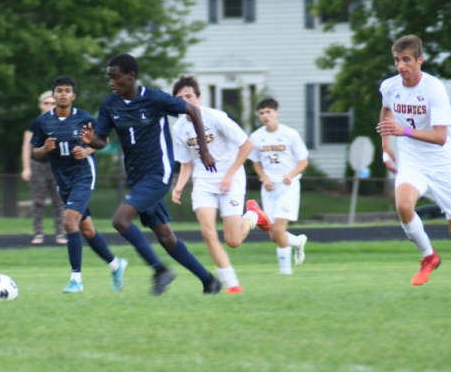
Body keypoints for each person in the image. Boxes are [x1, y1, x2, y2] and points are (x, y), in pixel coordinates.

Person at [80, 53, 238, 295]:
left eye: (116, 77)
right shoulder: (109, 105)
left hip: (158, 175)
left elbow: (193, 111)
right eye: (109, 78)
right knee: (166, 237)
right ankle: (209, 281)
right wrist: (93, 141)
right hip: (137, 179)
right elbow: (101, 139)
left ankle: (160, 270)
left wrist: (204, 150)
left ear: (130, 77)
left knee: (120, 220)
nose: (111, 83)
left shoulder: (154, 99)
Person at [376, 34, 451, 289]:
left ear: (420, 60)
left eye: (407, 60)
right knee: (403, 206)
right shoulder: (390, 86)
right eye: (397, 60)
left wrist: (404, 132)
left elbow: (440, 136)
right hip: (412, 160)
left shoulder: (434, 89)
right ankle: (429, 256)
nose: (401, 66)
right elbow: (387, 109)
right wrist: (386, 144)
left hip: (443, 164)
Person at [170, 75, 270, 294]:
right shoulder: (178, 129)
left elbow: (247, 145)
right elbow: (186, 164)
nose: (186, 101)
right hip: (204, 181)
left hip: (231, 177)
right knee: (207, 232)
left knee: (233, 240)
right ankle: (232, 284)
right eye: (180, 98)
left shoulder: (216, 118)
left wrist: (229, 175)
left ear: (198, 98)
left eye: (189, 96)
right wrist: (178, 186)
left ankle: (253, 215)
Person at [32, 75, 128, 292]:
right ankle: (116, 265)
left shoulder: (84, 119)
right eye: (59, 90)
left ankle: (76, 280)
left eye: (67, 90)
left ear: (73, 96)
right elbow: (36, 153)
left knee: (69, 222)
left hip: (83, 175)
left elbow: (103, 141)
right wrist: (43, 150)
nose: (63, 94)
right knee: (86, 229)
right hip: (63, 180)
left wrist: (87, 150)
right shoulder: (43, 122)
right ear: (53, 95)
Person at [248, 98, 310, 275]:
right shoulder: (256, 136)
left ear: (276, 113)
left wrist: (291, 175)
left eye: (268, 112)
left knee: (279, 229)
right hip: (269, 188)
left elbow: (303, 161)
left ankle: (285, 271)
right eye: (261, 113)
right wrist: (264, 178)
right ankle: (297, 242)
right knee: (273, 234)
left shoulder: (290, 134)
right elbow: (256, 162)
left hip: (288, 187)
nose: (265, 116)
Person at [21, 91, 67, 245]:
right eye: (46, 103)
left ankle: (60, 233)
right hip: (38, 165)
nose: (50, 106)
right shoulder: (35, 123)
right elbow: (27, 146)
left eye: (53, 103)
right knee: (38, 201)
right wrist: (26, 168)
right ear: (40, 105)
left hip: (57, 165)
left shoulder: (62, 122)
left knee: (59, 201)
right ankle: (38, 233)